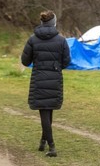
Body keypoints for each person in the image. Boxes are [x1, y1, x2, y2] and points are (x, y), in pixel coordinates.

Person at [21, 10, 71, 157]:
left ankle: (50, 145)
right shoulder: (61, 40)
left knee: (44, 110)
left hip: (39, 78)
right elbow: (67, 61)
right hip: (54, 77)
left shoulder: (32, 39)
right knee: (48, 110)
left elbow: (25, 61)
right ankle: (46, 143)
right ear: (54, 23)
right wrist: (56, 67)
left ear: (42, 22)